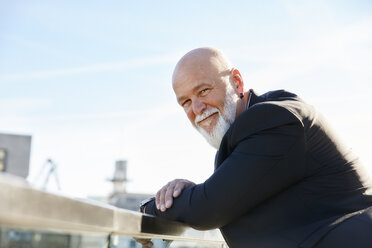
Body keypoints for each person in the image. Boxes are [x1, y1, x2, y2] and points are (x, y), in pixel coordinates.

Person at [138, 47, 372, 248]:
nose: (197, 107)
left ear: (236, 82)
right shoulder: (256, 125)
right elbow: (229, 195)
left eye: (203, 91)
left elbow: (210, 209)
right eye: (186, 102)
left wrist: (153, 208)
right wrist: (194, 192)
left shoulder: (273, 120)